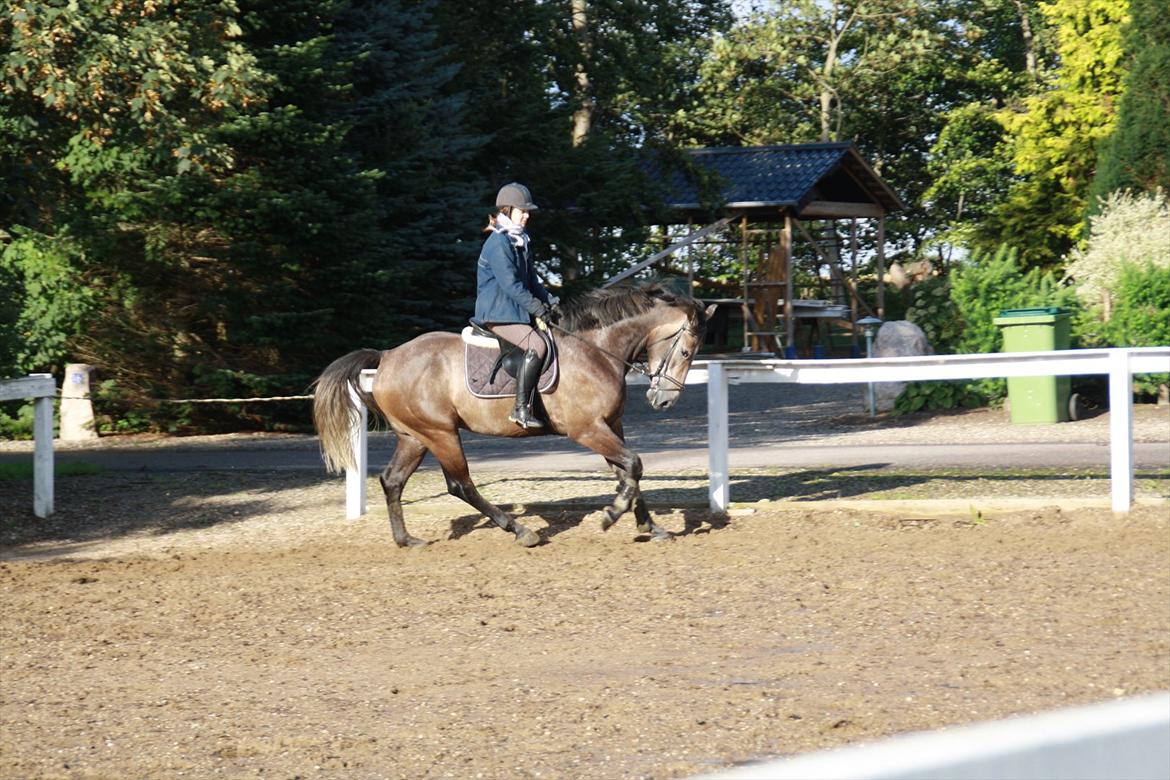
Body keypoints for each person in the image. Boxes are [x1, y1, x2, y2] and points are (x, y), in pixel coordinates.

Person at [474, 182, 559, 428]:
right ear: (507, 210)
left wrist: (549, 302)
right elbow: (511, 286)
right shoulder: (499, 243)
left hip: (514, 312)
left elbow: (531, 279)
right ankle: (520, 409)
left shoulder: (519, 241)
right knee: (537, 345)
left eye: (527, 211)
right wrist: (537, 308)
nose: (527, 215)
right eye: (522, 211)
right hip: (497, 313)